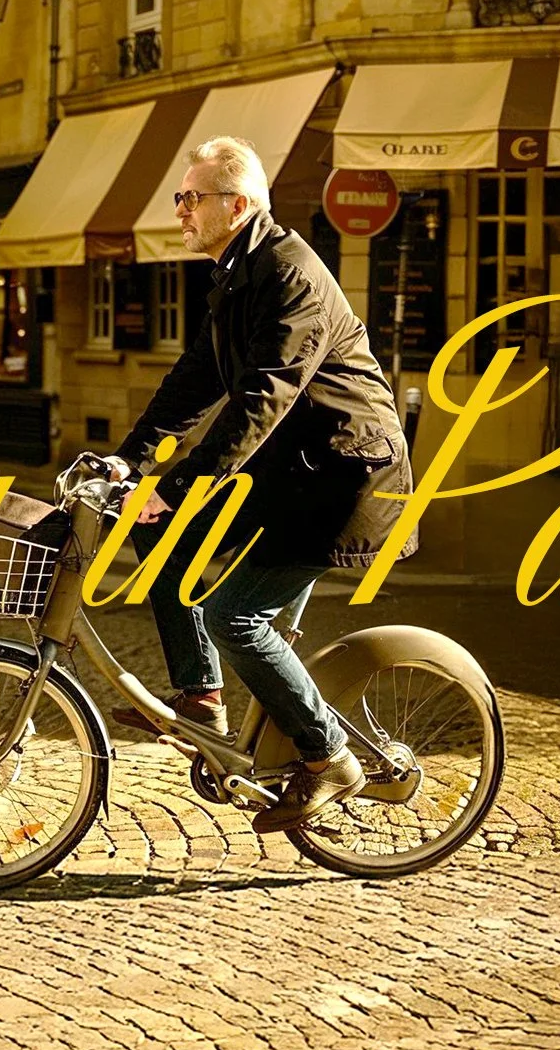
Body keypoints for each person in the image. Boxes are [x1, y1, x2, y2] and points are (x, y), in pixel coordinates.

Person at [98, 136, 418, 834]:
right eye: (179, 196)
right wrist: (130, 459)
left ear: (237, 205)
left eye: (191, 198)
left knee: (236, 617)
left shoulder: (291, 276)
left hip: (343, 482)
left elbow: (261, 401)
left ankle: (331, 758)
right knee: (165, 546)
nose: (179, 209)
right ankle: (201, 698)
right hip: (292, 477)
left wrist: (175, 487)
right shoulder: (240, 273)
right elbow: (196, 379)